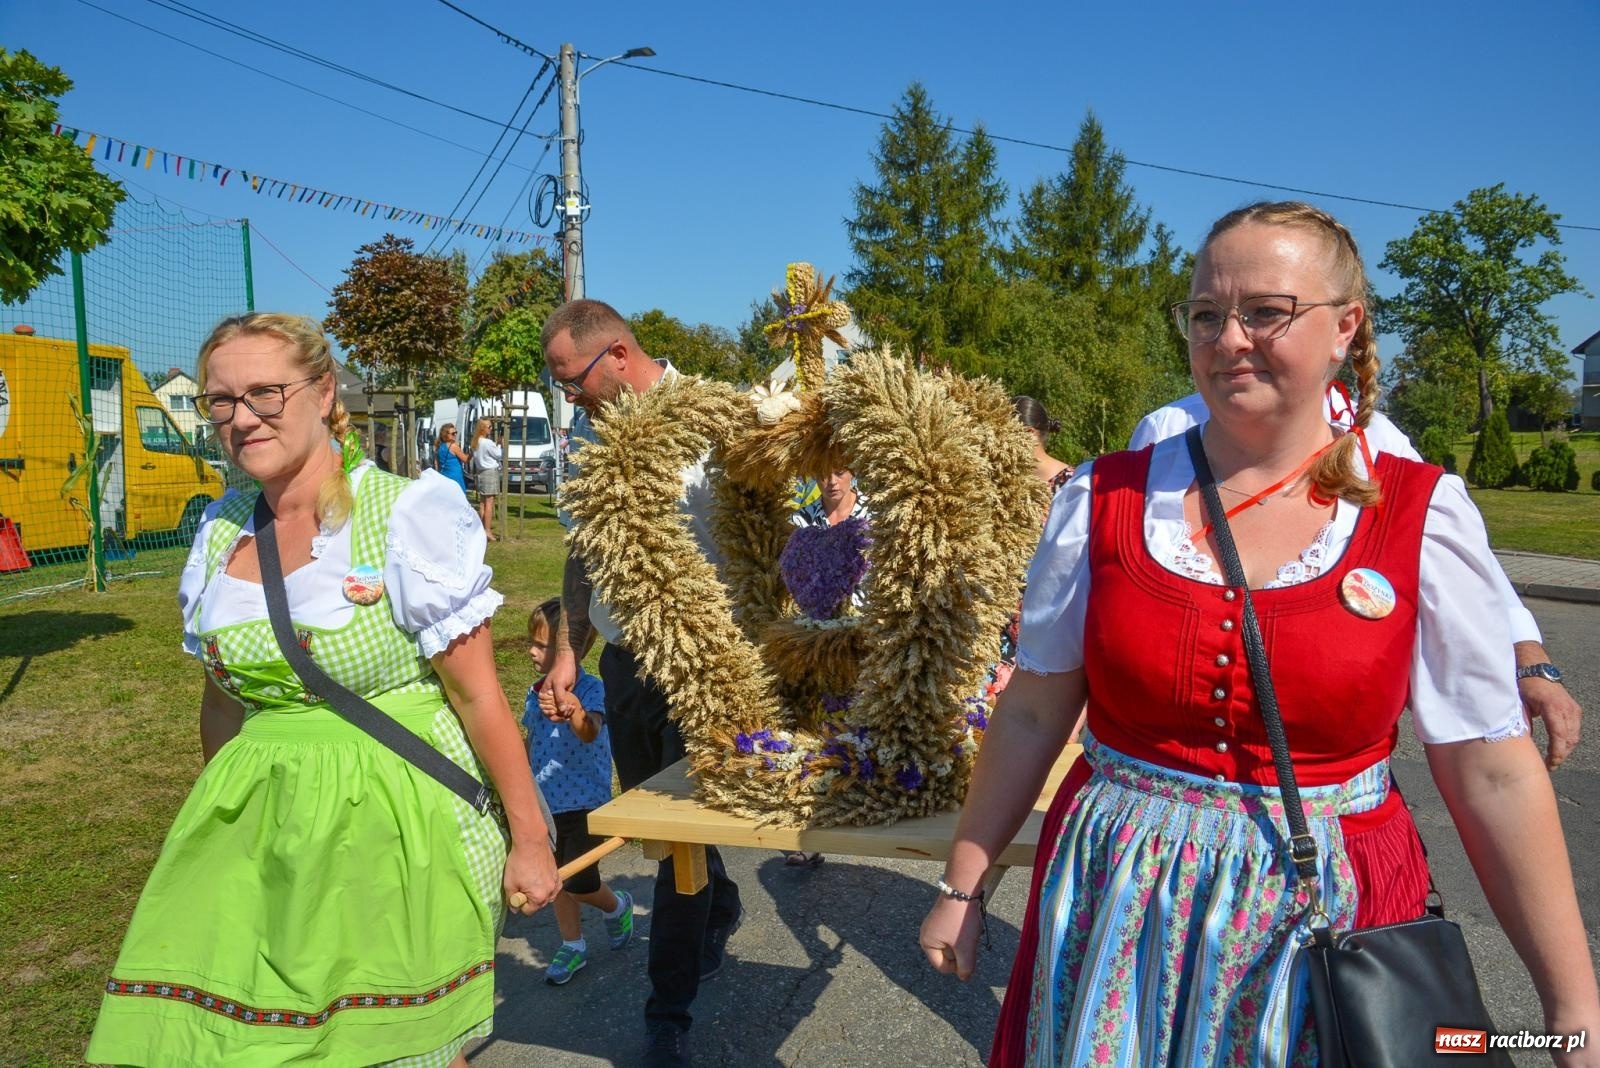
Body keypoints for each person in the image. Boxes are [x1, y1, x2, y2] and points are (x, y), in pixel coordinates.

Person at [920, 203, 1600, 1068]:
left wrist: (1572, 1010)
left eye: (1266, 312)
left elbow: (1493, 773)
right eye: (1206, 313)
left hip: (1327, 909)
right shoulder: (1104, 498)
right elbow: (1029, 714)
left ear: (1345, 327)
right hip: (1113, 895)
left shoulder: (1421, 514)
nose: (1229, 337)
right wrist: (964, 884)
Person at [86, 313, 559, 1066]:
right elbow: (220, 702)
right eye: (221, 400)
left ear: (324, 389)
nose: (243, 418)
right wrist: (224, 831)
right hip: (264, 830)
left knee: (404, 1049)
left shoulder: (408, 512)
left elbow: (478, 699)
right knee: (241, 1041)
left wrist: (531, 840)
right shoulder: (219, 531)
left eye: (267, 393)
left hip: (404, 819)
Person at [1130, 389, 1583, 770]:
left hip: (1328, 751)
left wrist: (1527, 654)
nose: (1238, 338)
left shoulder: (1379, 437)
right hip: (1179, 733)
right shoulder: (1167, 426)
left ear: (1344, 330)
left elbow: (1456, 562)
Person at [539, 298, 742, 1068]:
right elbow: (582, 555)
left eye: (572, 380)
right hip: (627, 667)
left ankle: (668, 1014)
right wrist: (570, 652)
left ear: (618, 354)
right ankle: (719, 901)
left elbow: (762, 547)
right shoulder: (590, 436)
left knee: (679, 836)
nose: (570, 399)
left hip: (702, 663)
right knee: (665, 831)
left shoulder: (713, 422)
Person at [522, 596, 635, 985]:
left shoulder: (590, 689)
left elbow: (590, 733)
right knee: (555, 881)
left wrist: (573, 711)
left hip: (584, 801)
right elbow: (530, 739)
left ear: (569, 649)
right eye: (532, 643)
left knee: (579, 882)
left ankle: (617, 905)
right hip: (546, 803)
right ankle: (573, 945)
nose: (532, 652)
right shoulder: (534, 693)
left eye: (541, 645)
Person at [779, 465, 872, 869]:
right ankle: (810, 830)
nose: (831, 481)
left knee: (861, 730)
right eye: (821, 473)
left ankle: (866, 809)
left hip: (863, 643)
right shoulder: (804, 520)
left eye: (839, 472)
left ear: (853, 473)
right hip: (815, 641)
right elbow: (791, 574)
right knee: (815, 734)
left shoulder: (872, 517)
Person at [986, 398, 1078, 707]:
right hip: (997, 618)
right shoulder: (1003, 486)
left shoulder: (1072, 485)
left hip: (1046, 620)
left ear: (1027, 434)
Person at [470, 417, 503, 541]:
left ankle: (483, 527)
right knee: (489, 502)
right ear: (482, 428)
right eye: (489, 426)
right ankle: (487, 530)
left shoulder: (475, 441)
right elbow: (498, 455)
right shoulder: (487, 442)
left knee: (483, 502)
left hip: (481, 472)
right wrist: (500, 444)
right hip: (489, 472)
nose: (491, 428)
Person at [435, 421, 471, 496]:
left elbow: (437, 464)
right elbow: (465, 459)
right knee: (459, 500)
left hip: (444, 477)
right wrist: (473, 452)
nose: (455, 435)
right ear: (445, 434)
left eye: (455, 432)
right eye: (452, 433)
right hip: (456, 477)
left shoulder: (439, 447)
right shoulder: (453, 446)